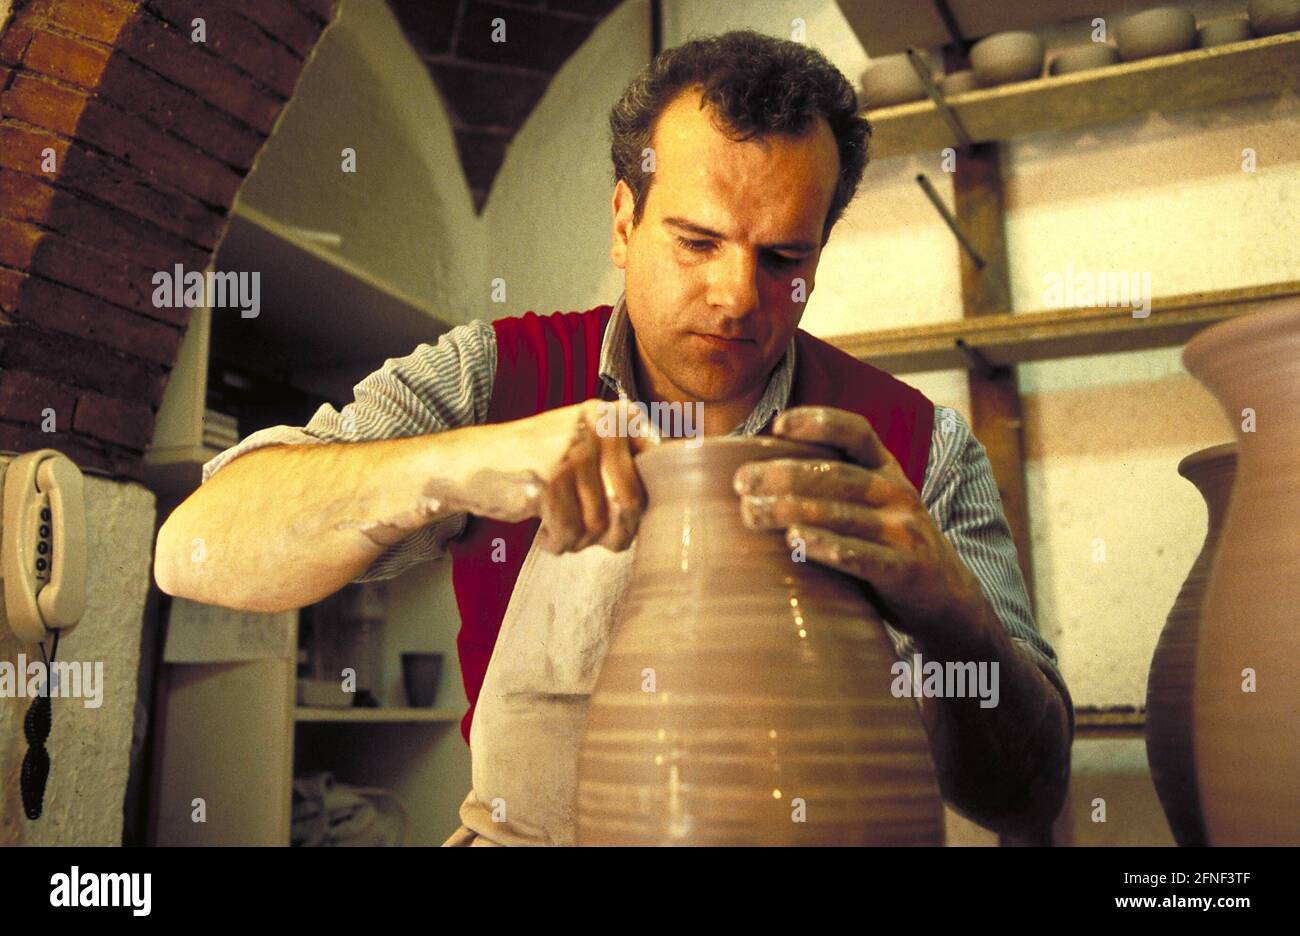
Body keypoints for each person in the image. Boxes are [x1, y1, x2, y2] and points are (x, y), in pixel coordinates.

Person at [155, 30, 1073, 846]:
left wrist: (951, 611)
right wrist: (456, 462)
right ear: (625, 223)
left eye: (784, 258)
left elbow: (1027, 801)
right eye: (696, 241)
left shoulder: (917, 450)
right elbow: (196, 550)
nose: (738, 296)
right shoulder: (489, 379)